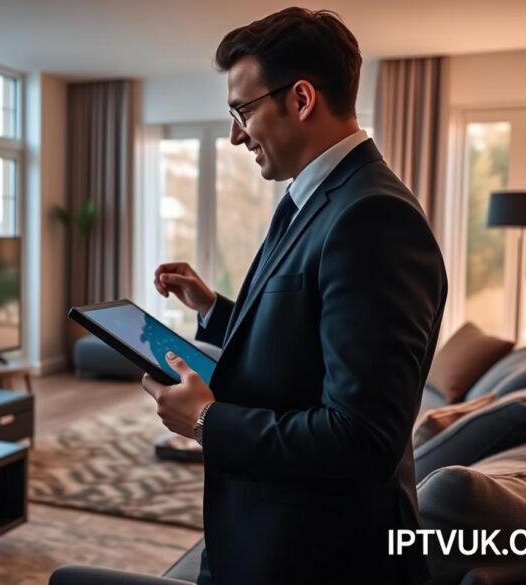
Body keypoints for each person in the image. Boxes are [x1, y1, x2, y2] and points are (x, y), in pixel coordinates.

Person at [146, 8, 446, 584]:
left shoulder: (373, 216)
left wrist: (208, 422)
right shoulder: (318, 198)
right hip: (270, 541)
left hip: (316, 559)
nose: (235, 134)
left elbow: (362, 437)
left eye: (242, 110)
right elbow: (307, 339)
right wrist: (214, 309)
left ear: (302, 98)